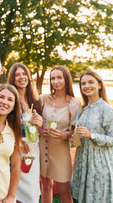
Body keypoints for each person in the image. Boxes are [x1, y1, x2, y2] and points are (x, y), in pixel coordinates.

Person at [72, 71, 113, 203]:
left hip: (100, 164)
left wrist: (92, 135)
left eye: (90, 82)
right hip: (83, 161)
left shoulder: (107, 109)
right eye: (83, 83)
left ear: (99, 85)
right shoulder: (84, 109)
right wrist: (77, 138)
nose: (86, 86)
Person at [39, 66, 82, 203]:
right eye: (53, 78)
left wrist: (65, 136)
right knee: (46, 186)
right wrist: (40, 130)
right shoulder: (43, 99)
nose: (55, 81)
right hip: (42, 148)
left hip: (61, 151)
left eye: (59, 77)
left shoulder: (74, 104)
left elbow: (76, 132)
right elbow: (35, 123)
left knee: (64, 192)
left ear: (66, 79)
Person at [7, 63, 43, 203]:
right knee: (17, 191)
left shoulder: (35, 100)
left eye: (24, 74)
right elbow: (4, 125)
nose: (21, 77)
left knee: (32, 192)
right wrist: (17, 140)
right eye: (17, 74)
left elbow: (37, 129)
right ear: (12, 78)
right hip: (16, 149)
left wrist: (39, 123)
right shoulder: (10, 99)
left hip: (33, 150)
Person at [0, 85, 22, 203]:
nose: (4, 102)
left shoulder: (14, 131)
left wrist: (11, 195)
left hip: (4, 193)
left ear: (13, 107)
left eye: (10, 100)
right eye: (1, 97)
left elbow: (16, 166)